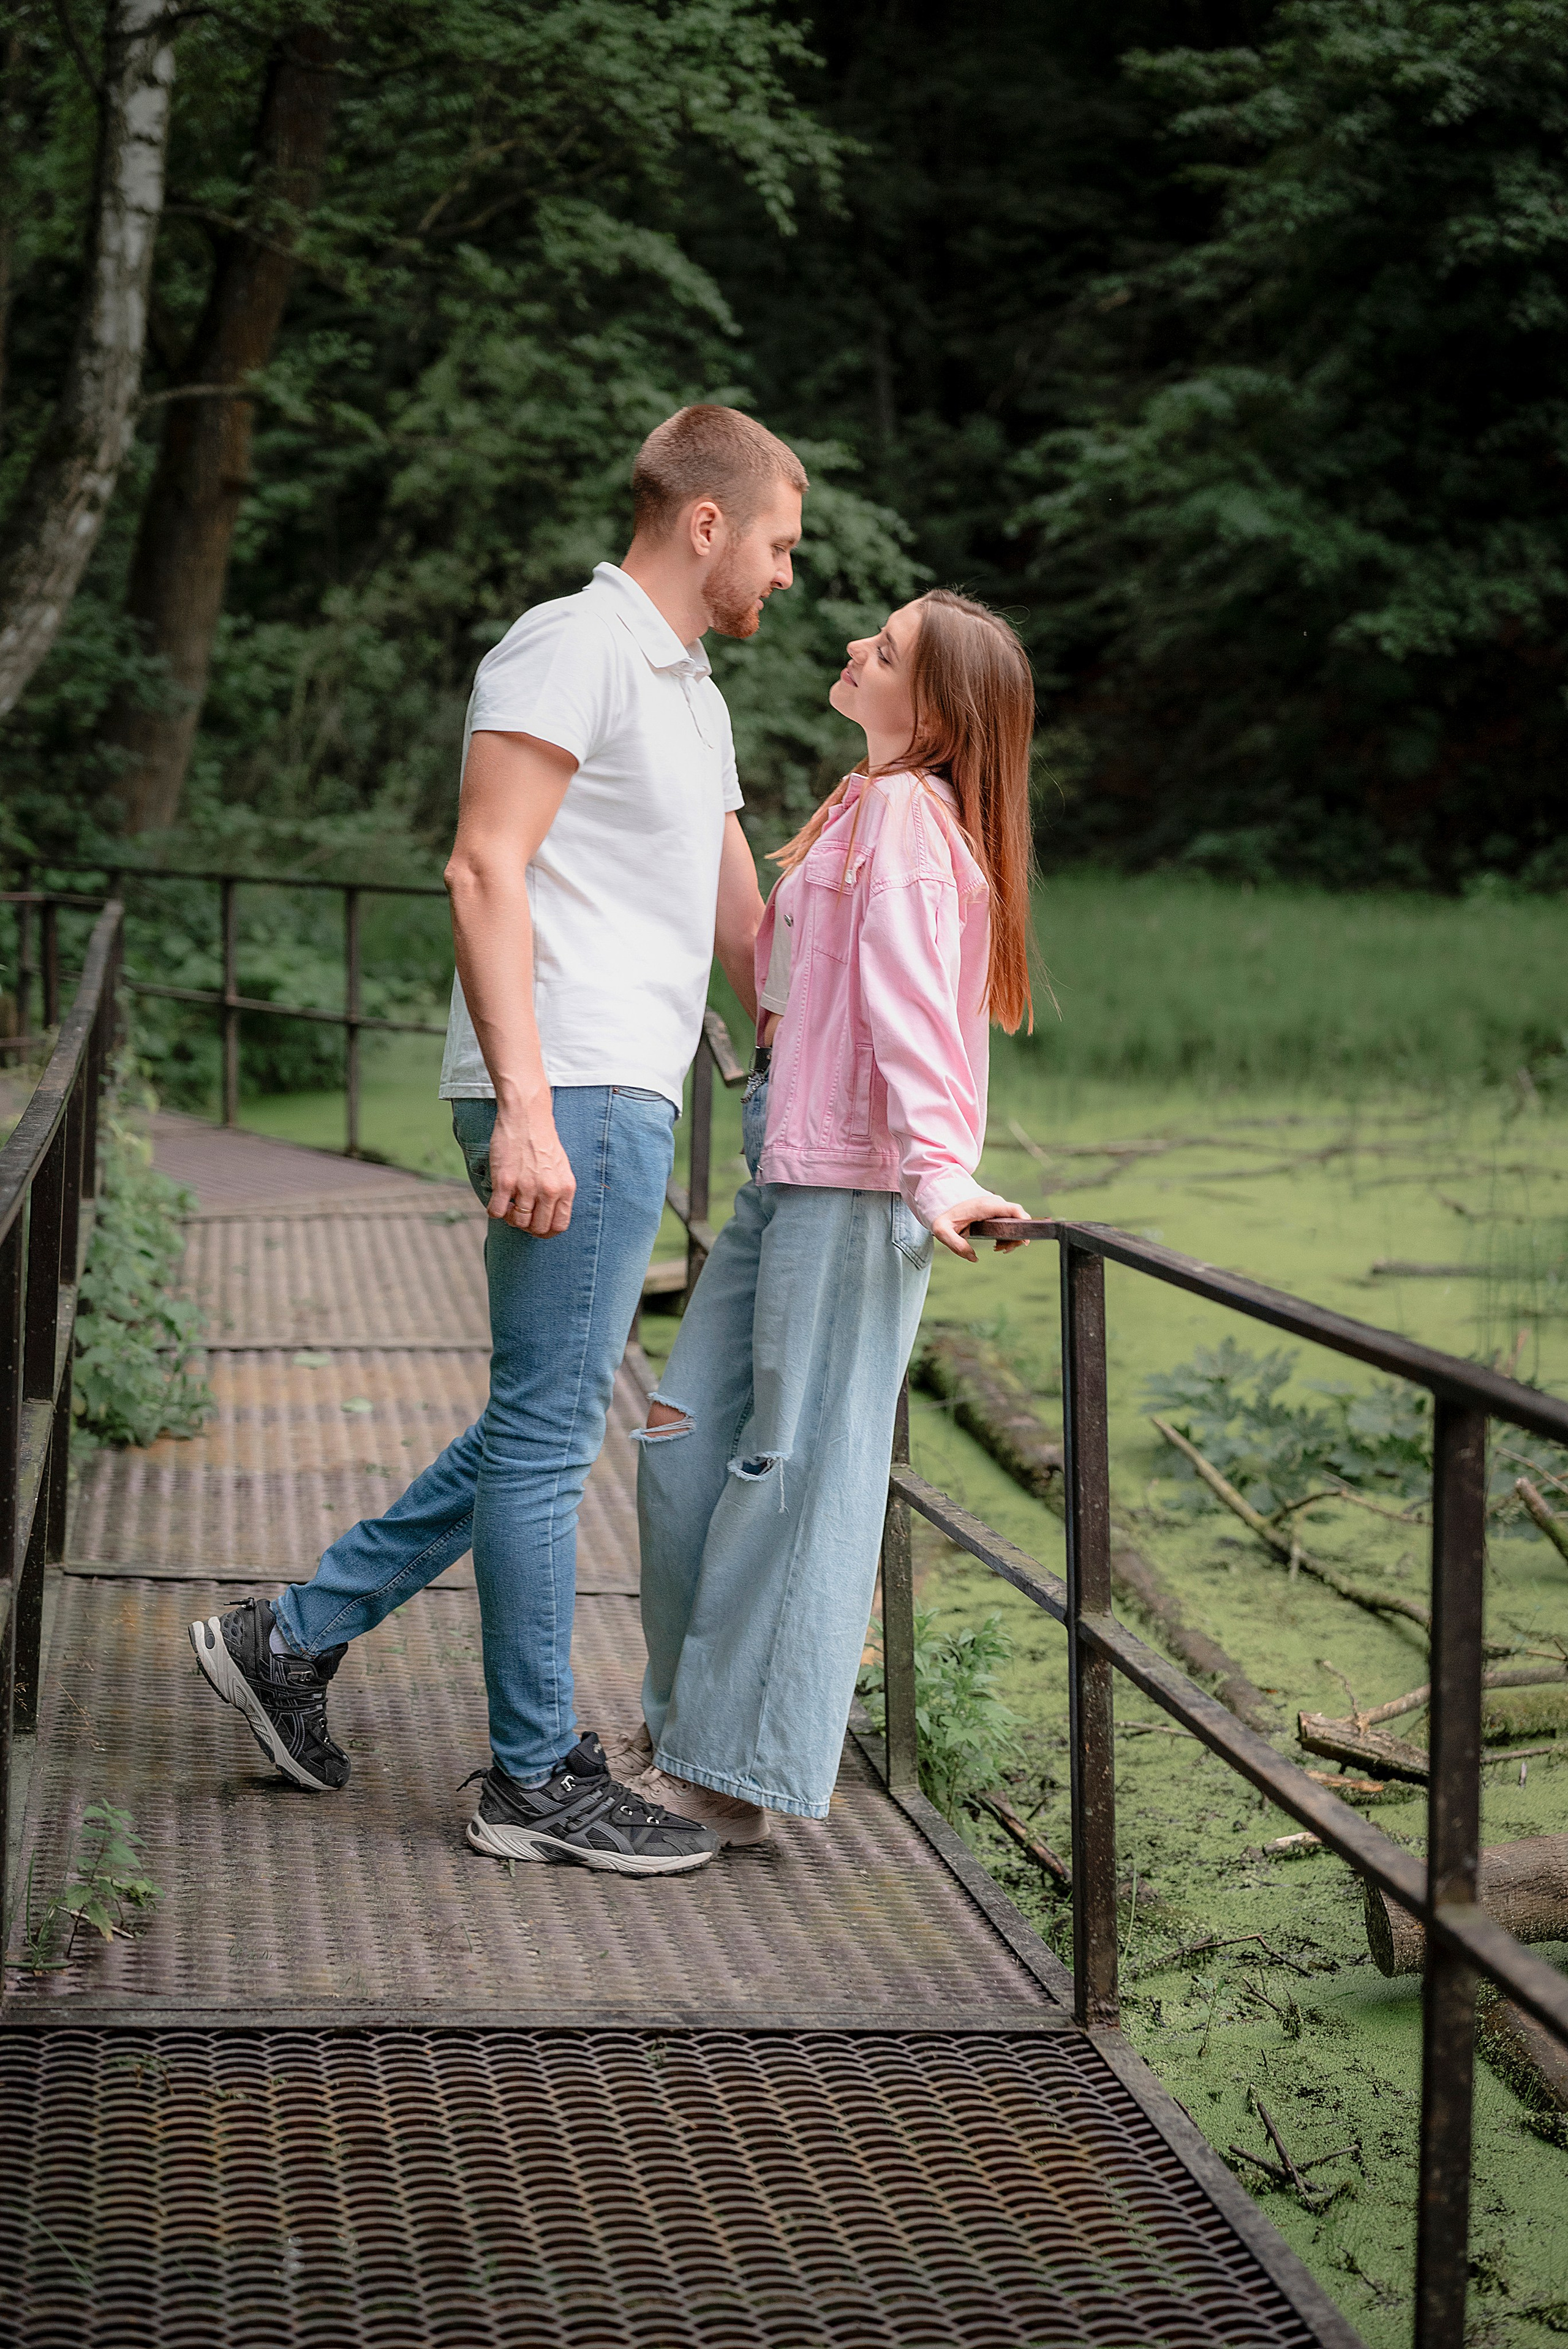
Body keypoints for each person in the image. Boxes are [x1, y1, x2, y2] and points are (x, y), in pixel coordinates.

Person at [188, 404, 806, 1879]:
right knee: (544, 1437)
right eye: (779, 543)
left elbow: (745, 933)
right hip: (570, 1084)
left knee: (538, 1419)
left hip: (622, 1090)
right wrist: (526, 1106)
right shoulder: (569, 644)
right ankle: (528, 1777)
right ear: (703, 521)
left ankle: (294, 1635)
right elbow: (481, 865)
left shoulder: (692, 692)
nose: (787, 575)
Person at [630, 588, 1036, 1844]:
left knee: (790, 1472)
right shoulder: (865, 805)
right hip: (787, 1168)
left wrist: (935, 1170)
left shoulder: (909, 817)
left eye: (889, 648)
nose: (856, 646)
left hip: (861, 1184)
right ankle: (690, 1729)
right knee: (681, 1438)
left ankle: (727, 1774)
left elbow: (917, 1010)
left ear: (931, 704)